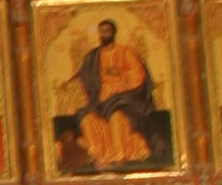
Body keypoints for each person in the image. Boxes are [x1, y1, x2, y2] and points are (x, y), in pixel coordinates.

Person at [61, 15, 160, 169]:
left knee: (116, 119)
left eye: (106, 31)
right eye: (101, 31)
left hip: (126, 100)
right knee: (87, 119)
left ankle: (119, 156)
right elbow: (84, 72)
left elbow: (138, 75)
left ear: (113, 32)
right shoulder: (94, 56)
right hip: (100, 102)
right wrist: (69, 82)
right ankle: (100, 156)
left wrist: (120, 74)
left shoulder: (126, 52)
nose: (104, 34)